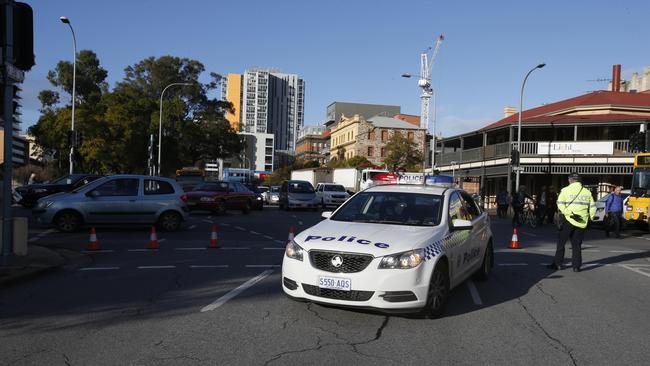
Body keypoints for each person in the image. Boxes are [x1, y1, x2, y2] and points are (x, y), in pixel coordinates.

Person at [547, 173, 596, 272]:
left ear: (570, 180)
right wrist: (590, 217)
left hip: (568, 220)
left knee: (561, 243)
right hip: (582, 221)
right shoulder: (587, 192)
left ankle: (558, 264)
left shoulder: (565, 190)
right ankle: (576, 266)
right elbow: (593, 207)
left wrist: (568, 213)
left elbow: (560, 204)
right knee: (577, 245)